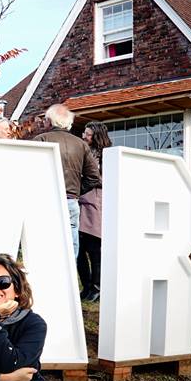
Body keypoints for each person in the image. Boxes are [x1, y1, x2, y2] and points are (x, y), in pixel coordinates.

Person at [32, 104, 101, 258]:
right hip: (71, 200)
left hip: (45, 200)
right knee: (70, 247)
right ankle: (68, 280)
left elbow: (30, 173)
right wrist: (76, 191)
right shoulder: (81, 144)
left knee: (44, 246)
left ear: (50, 121)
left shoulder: (41, 139)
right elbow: (94, 177)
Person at [78, 122, 111, 302]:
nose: (84, 136)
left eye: (88, 134)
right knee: (79, 250)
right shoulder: (84, 152)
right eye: (84, 132)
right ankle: (87, 286)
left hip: (96, 204)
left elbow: (106, 180)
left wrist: (88, 178)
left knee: (94, 249)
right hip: (81, 202)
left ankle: (97, 288)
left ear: (97, 136)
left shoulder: (106, 156)